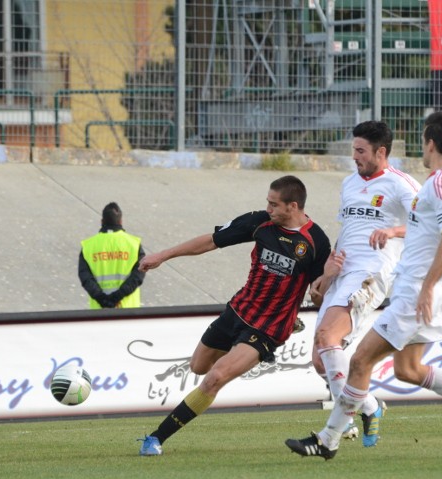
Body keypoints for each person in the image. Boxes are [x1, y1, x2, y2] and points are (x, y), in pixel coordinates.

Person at [285, 111, 442, 460]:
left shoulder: (438, 184)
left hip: (411, 291)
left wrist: (427, 282)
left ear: (430, 142)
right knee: (408, 370)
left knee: (359, 361)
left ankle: (329, 439)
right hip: (414, 287)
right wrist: (432, 273)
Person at [137, 175, 331, 456]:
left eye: (274, 204)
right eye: (267, 202)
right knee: (199, 366)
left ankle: (155, 438)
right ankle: (247, 347)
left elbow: (319, 294)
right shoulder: (259, 222)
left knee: (215, 377)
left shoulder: (315, 242)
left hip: (269, 327)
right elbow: (210, 241)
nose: (268, 208)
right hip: (238, 311)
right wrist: (163, 256)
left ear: (293, 206)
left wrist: (323, 288)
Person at [308, 121, 421, 447]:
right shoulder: (348, 183)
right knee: (320, 361)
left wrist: (392, 232)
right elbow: (349, 232)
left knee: (329, 337)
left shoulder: (402, 185)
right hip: (343, 274)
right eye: (353, 150)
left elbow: (428, 224)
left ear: (381, 152)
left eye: (360, 151)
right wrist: (328, 273)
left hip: (372, 274)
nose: (354, 157)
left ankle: (331, 435)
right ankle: (370, 407)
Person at [78, 202, 145, 308]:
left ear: (102, 221)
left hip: (99, 310)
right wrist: (116, 298)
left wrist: (103, 299)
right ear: (121, 221)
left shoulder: (88, 246)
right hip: (128, 310)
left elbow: (85, 278)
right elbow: (137, 277)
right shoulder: (134, 244)